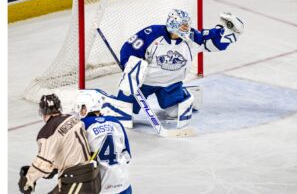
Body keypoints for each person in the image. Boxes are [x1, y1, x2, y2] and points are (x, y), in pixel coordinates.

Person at [113, 10, 244, 127]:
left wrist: (227, 31)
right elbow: (128, 49)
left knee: (176, 112)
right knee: (122, 113)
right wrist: (129, 68)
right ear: (173, 24)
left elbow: (212, 40)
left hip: (170, 84)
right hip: (144, 83)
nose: (187, 28)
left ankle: (186, 94)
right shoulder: (151, 33)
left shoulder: (192, 38)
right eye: (184, 25)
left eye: (187, 24)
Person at [18, 94, 101, 194]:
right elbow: (72, 149)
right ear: (59, 107)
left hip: (78, 182)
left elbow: (43, 162)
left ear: (42, 112)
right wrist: (53, 167)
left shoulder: (48, 131)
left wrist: (28, 180)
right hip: (93, 177)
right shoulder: (73, 119)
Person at [73, 89, 132, 194]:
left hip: (100, 188)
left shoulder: (82, 126)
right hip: (123, 184)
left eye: (80, 107)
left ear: (86, 108)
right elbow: (127, 155)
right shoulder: (116, 122)